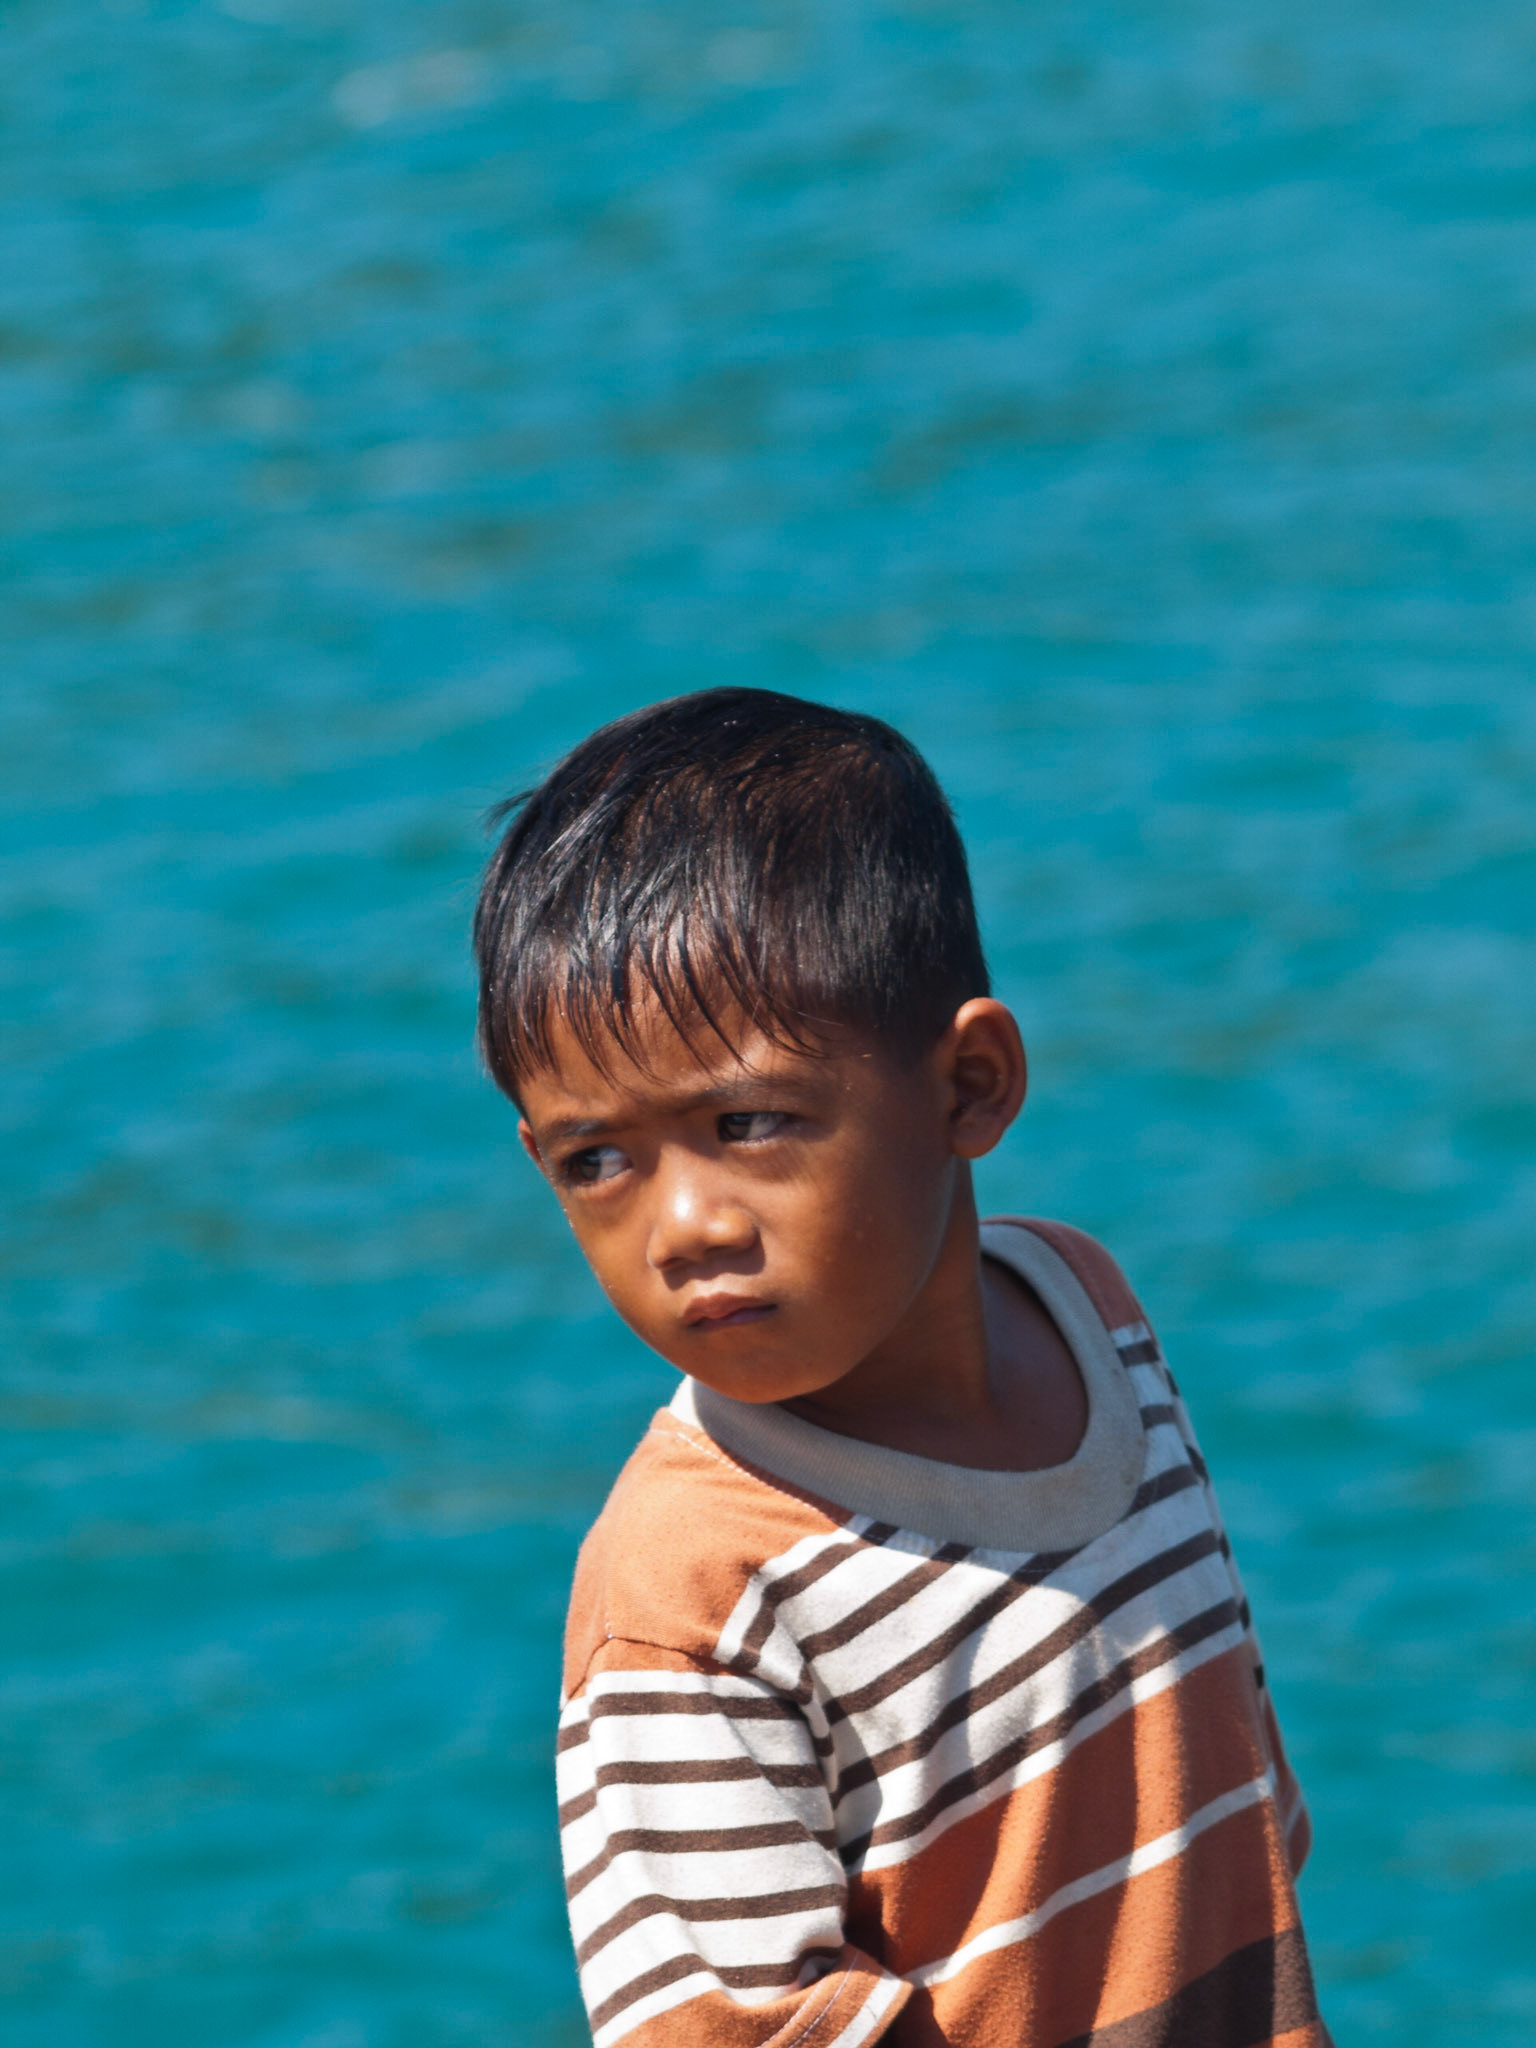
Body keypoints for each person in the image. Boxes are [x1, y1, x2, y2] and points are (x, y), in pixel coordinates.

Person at [473, 688, 1327, 2048]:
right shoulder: (690, 1590)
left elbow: (1233, 1784)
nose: (683, 1226)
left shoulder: (1091, 1314)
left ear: (970, 1085)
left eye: (750, 1122)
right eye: (598, 1160)